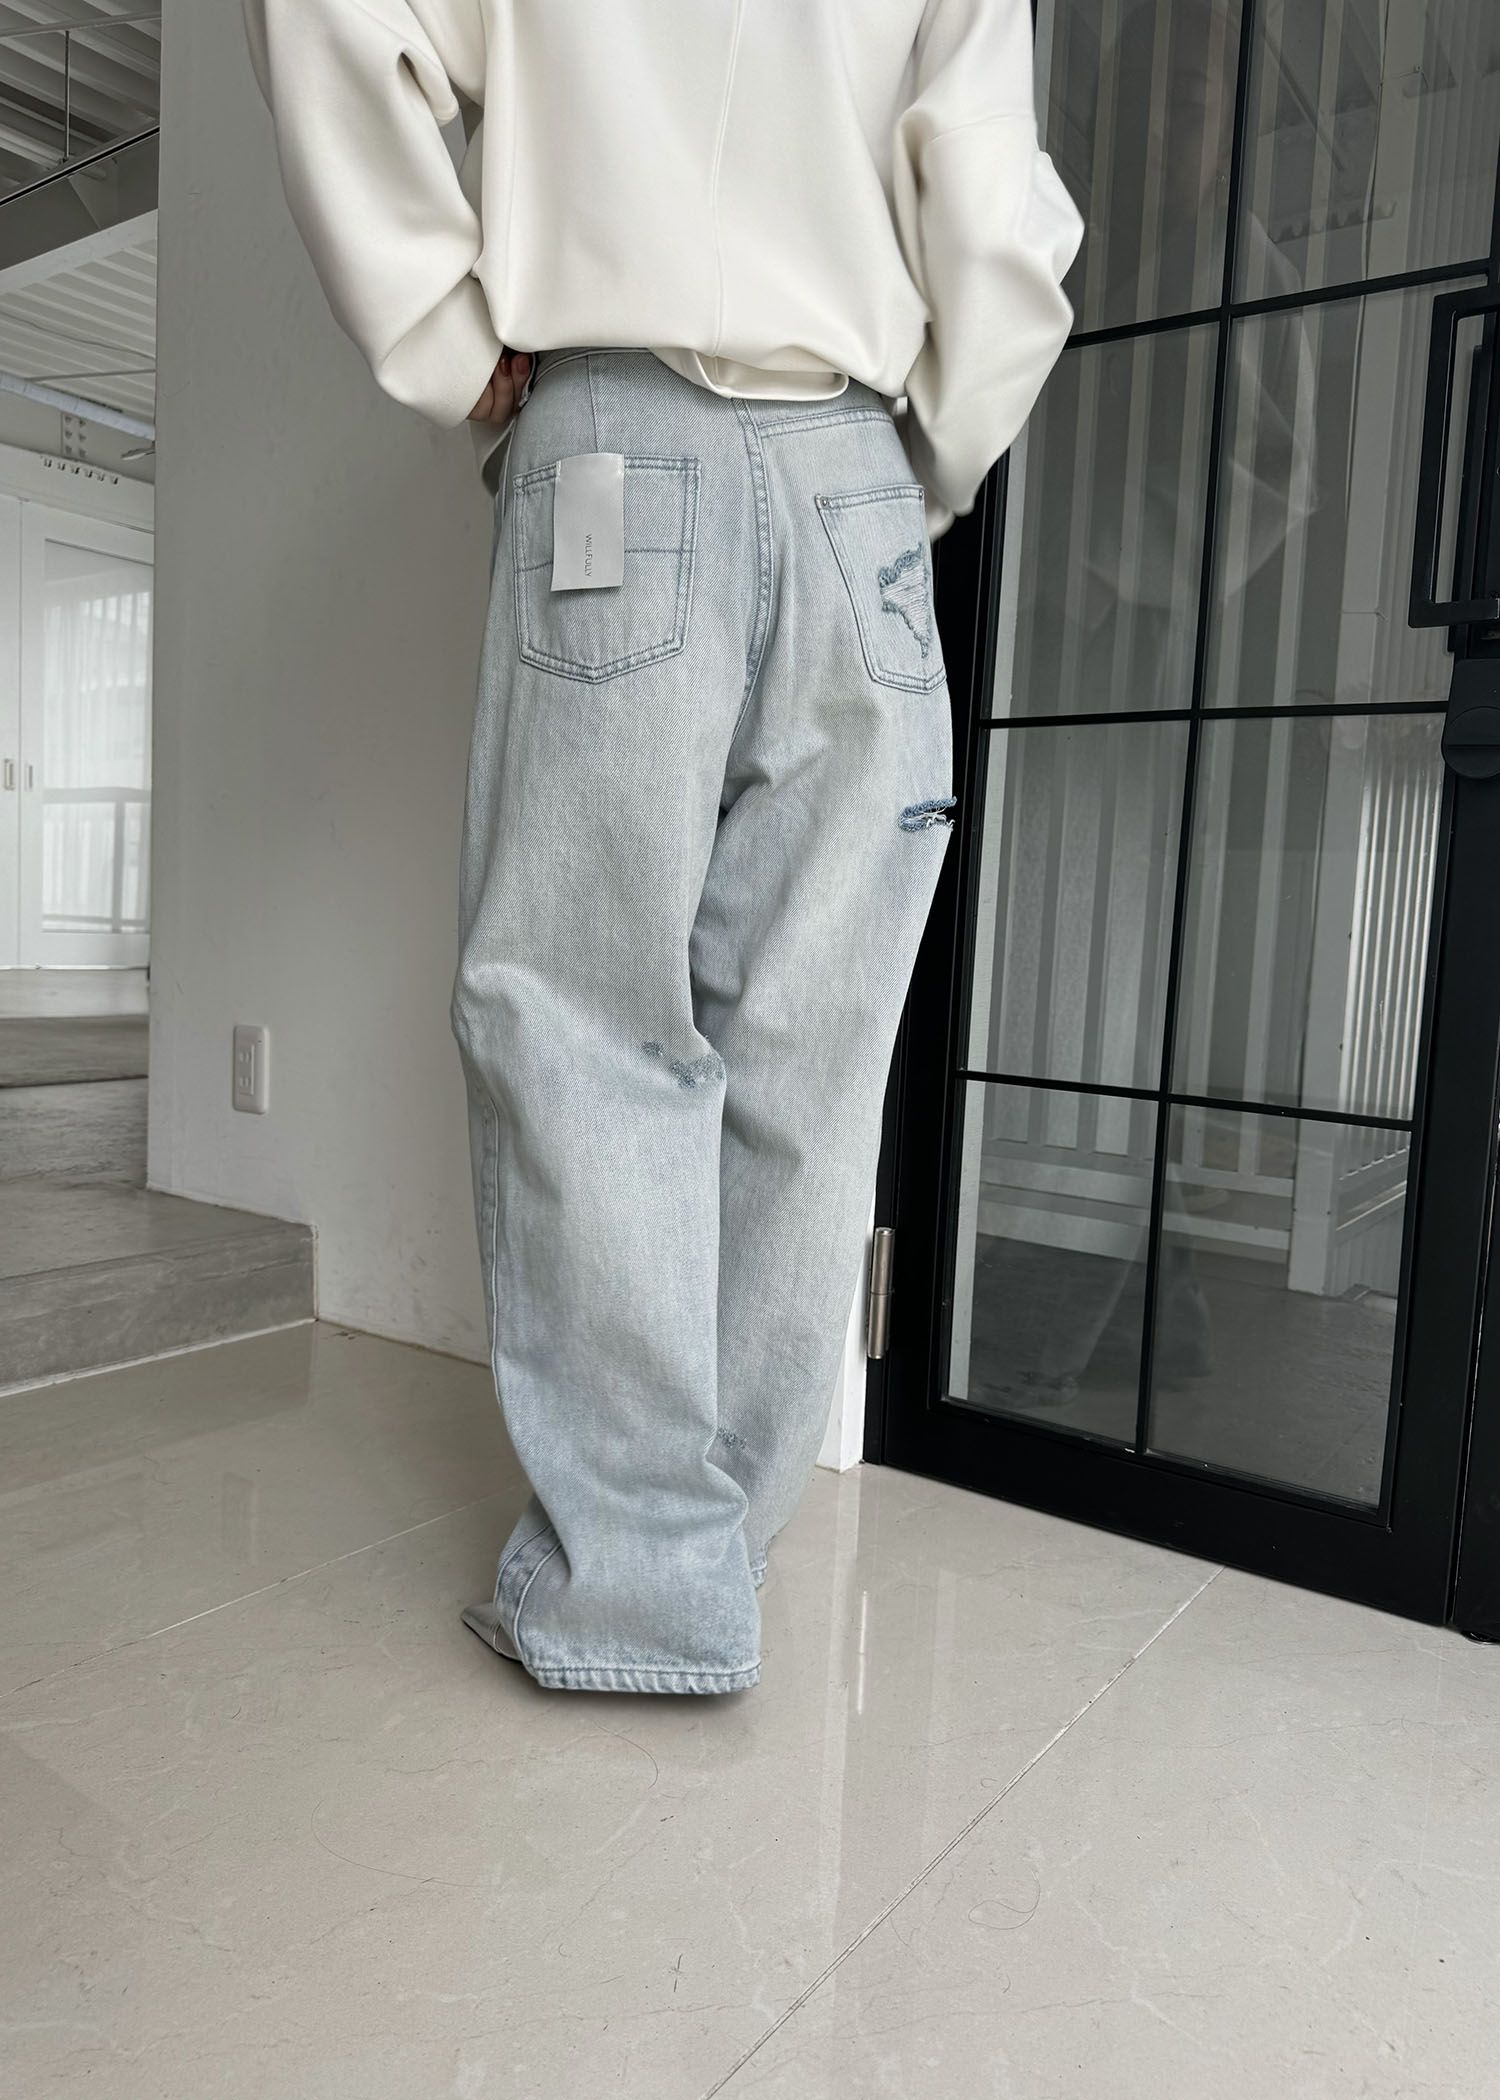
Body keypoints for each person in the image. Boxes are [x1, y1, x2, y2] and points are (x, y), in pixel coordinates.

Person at [240, 0, 1084, 1695]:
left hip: (615, 452)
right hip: (858, 476)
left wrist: (447, 339)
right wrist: (922, 460)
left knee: (581, 1025)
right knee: (810, 1058)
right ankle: (719, 1553)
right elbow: (994, 207)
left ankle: (641, 1590)